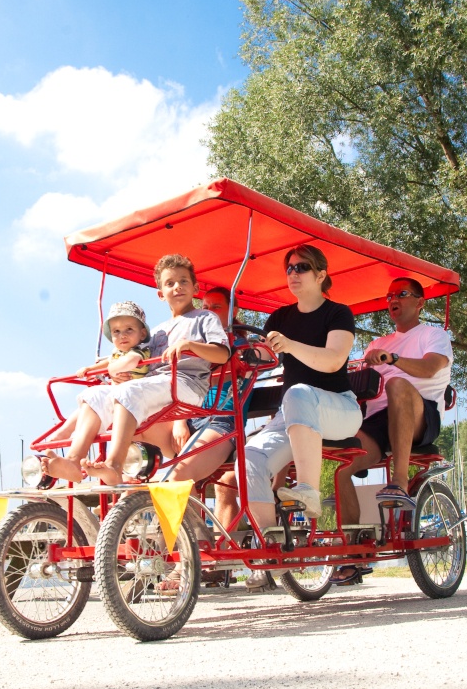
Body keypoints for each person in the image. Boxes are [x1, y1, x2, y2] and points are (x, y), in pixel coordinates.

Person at [42, 255, 229, 487]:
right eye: (170, 283)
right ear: (161, 294)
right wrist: (102, 369)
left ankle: (114, 465)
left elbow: (222, 354)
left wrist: (190, 345)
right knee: (96, 395)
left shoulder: (204, 318)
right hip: (156, 384)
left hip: (186, 383)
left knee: (129, 391)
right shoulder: (158, 331)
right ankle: (73, 459)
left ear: (195, 288)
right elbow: (132, 356)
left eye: (183, 281)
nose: (177, 287)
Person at [219, 244, 360, 533]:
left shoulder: (338, 313)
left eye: (302, 267)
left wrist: (291, 345)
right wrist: (246, 354)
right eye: (290, 268)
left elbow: (334, 361)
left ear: (321, 275)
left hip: (340, 410)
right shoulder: (280, 318)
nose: (293, 273)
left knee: (297, 393)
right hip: (294, 413)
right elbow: (265, 357)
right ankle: (270, 546)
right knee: (249, 460)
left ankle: (308, 489)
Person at [332, 277, 452, 584]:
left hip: (420, 414)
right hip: (377, 422)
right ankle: (353, 552)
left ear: (420, 302)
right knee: (343, 467)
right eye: (389, 296)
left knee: (398, 383)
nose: (393, 299)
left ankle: (399, 481)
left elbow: (429, 369)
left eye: (401, 294)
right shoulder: (376, 344)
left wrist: (393, 359)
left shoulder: (433, 335)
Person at [44, 302, 151, 445]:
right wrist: (91, 368)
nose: (122, 336)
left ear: (142, 333)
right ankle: (66, 431)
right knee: (88, 403)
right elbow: (108, 362)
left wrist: (112, 370)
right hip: (118, 394)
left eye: (129, 329)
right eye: (116, 332)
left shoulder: (139, 351)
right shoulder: (117, 353)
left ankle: (76, 435)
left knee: (95, 396)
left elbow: (129, 362)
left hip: (133, 396)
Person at [170, 286, 238, 485]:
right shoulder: (194, 343)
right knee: (135, 437)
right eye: (205, 307)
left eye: (216, 307)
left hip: (222, 421)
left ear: (233, 311)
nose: (209, 311)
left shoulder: (243, 344)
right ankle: (124, 498)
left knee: (179, 477)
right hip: (190, 417)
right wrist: (179, 421)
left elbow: (263, 358)